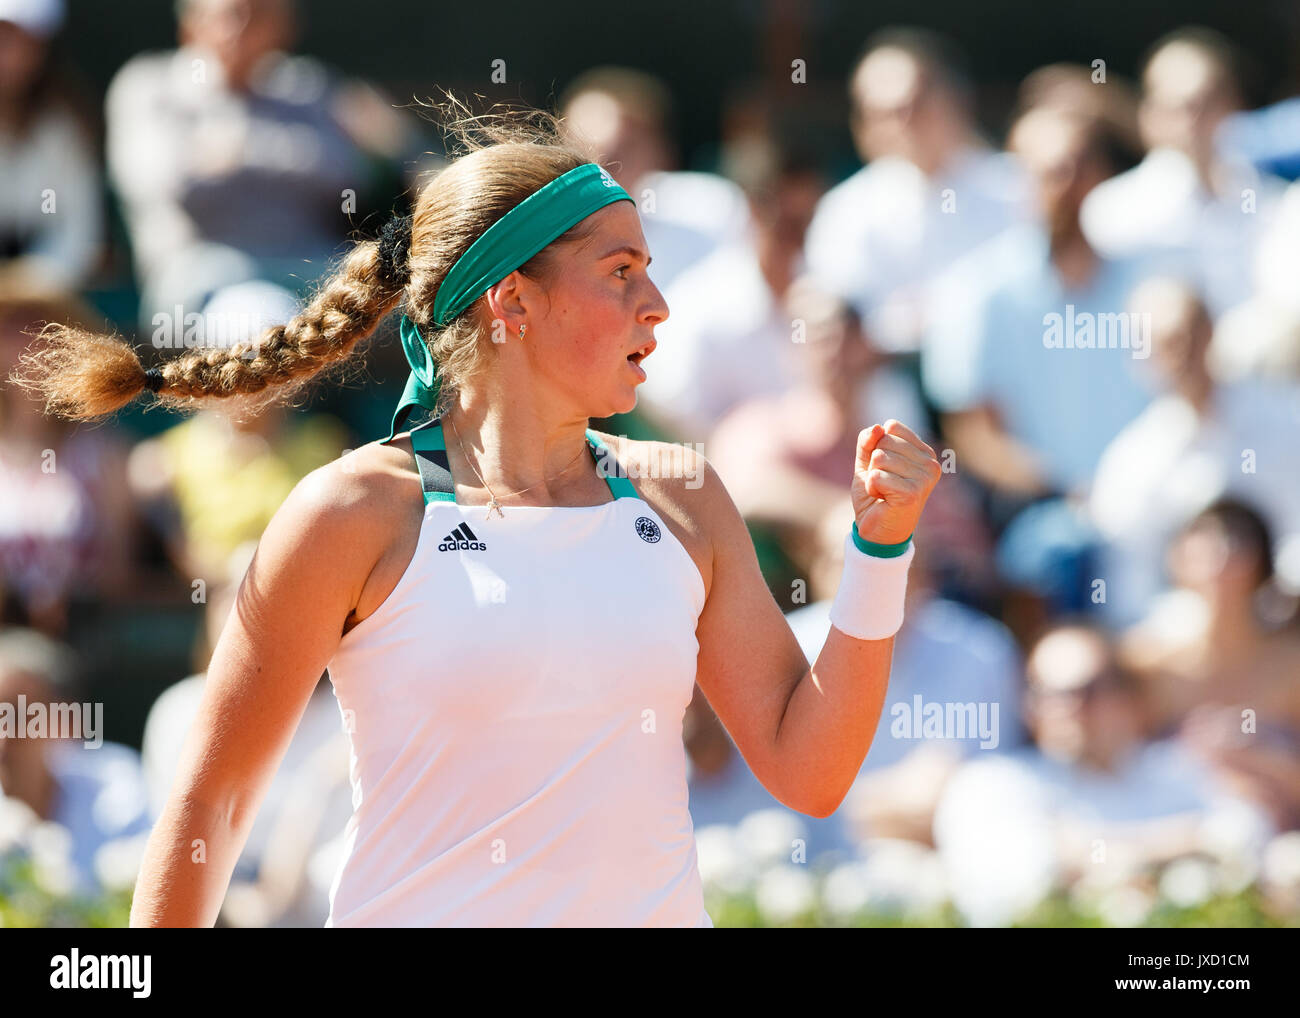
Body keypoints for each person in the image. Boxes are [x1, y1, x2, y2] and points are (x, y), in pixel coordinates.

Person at [10, 100, 942, 928]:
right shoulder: (352, 512)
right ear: (513, 303)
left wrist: (878, 548)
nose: (657, 306)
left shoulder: (684, 495)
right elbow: (208, 807)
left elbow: (810, 770)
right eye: (620, 272)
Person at [104, 0, 433, 331]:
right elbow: (168, 182)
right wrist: (297, 153)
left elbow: (346, 172)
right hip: (206, 281)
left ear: (283, 29)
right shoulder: (149, 86)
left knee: (431, 314)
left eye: (258, 16)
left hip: (317, 272)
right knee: (264, 320)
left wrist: (233, 153)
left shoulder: (309, 88)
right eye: (230, 15)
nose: (240, 31)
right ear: (191, 24)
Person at [933, 624, 1275, 927]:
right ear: (1029, 707)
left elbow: (1248, 830)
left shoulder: (1170, 770)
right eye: (1048, 693)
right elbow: (1020, 874)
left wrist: (1096, 851)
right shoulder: (991, 784)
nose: (1069, 708)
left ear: (1129, 699)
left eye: (1089, 689)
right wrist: (1174, 844)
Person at [803, 27, 1031, 354]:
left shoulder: (1018, 187)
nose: (904, 122)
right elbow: (841, 313)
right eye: (883, 112)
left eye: (914, 104)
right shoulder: (846, 209)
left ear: (954, 99)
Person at [1079, 27, 1287, 317]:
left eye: (1209, 102)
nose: (1195, 123)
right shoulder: (1109, 213)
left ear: (1234, 105)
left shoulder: (1274, 205)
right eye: (1181, 106)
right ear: (1149, 114)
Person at [0, 0, 105, 291]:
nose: (7, 50)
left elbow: (80, 236)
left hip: (41, 303)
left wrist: (28, 287)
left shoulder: (66, 128)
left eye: (20, 38)